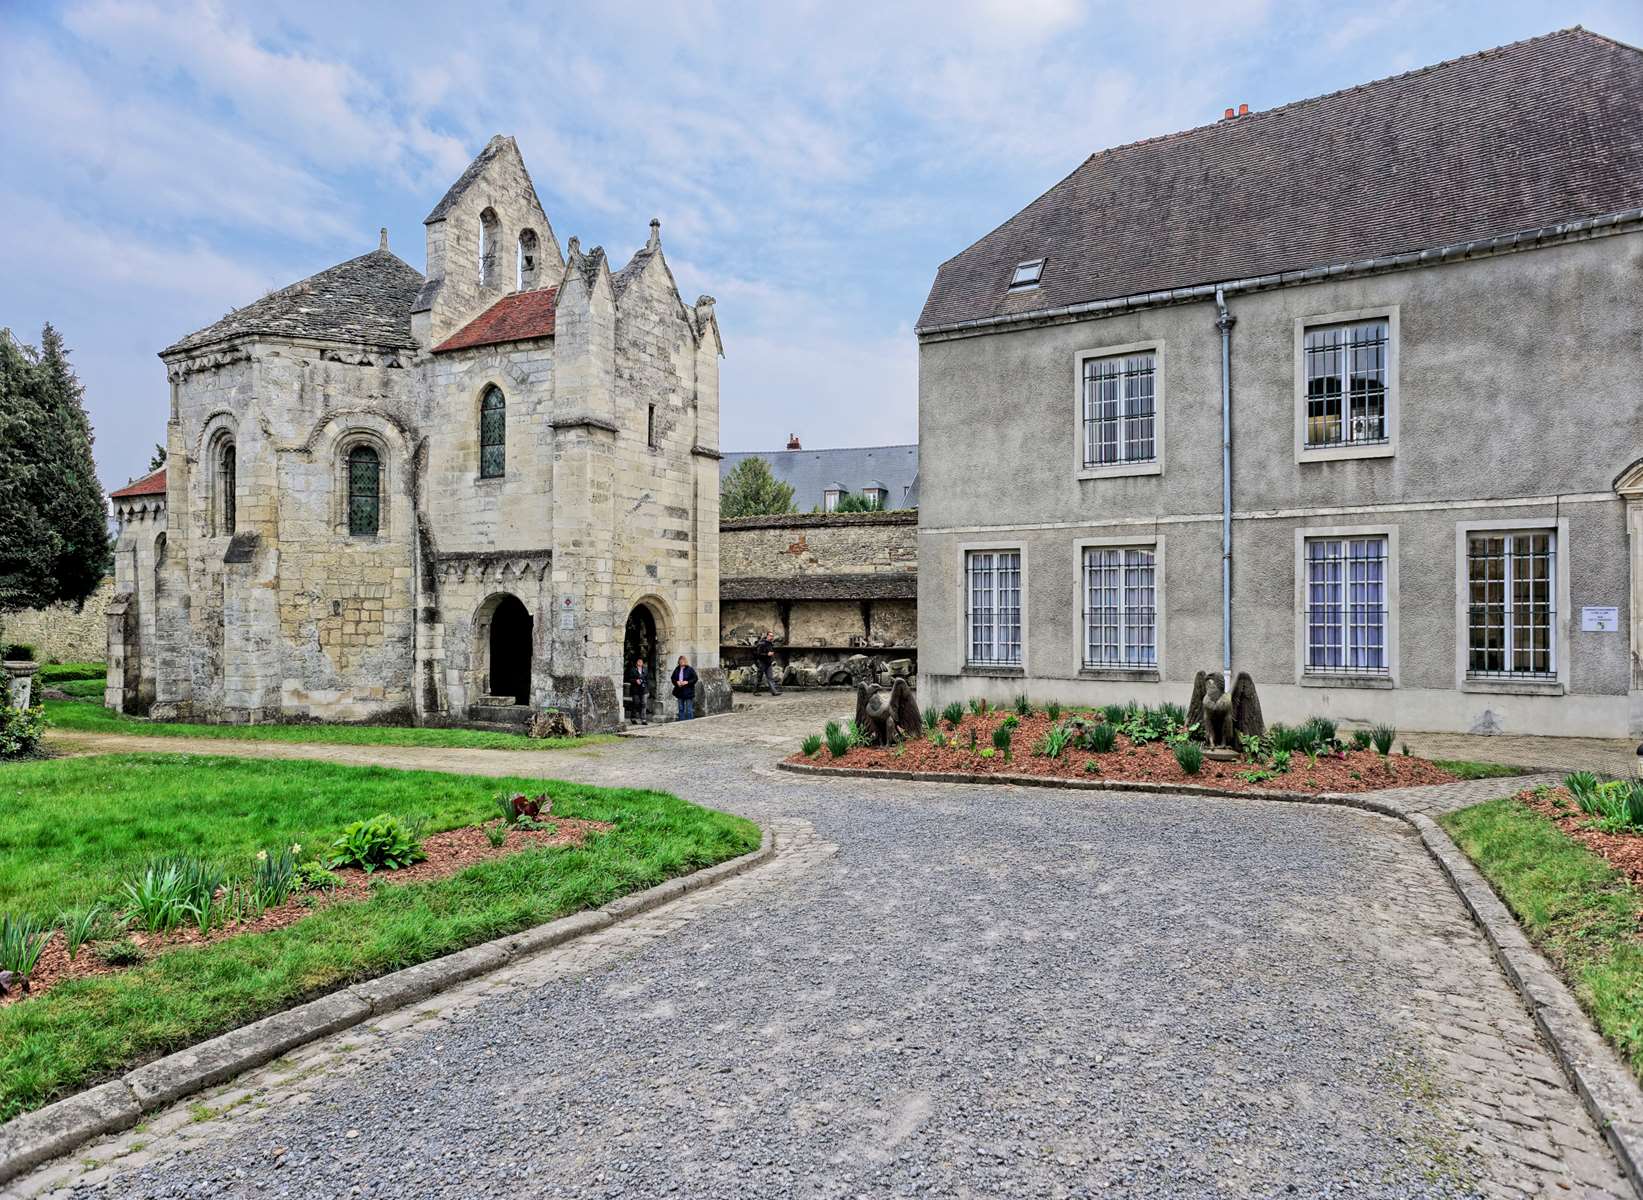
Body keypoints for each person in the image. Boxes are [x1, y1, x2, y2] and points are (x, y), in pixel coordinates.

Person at [753, 630, 782, 696]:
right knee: (759, 677)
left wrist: (772, 659)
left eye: (772, 636)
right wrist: (767, 654)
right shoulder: (761, 644)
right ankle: (755, 692)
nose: (771, 637)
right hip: (762, 663)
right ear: (767, 636)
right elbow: (758, 654)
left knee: (770, 678)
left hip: (768, 663)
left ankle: (774, 692)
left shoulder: (770, 644)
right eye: (770, 636)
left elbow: (771, 653)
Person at [670, 655, 698, 721]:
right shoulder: (677, 669)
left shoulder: (690, 669)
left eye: (683, 660)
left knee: (689, 709)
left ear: (685, 661)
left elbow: (695, 678)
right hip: (679, 691)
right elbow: (672, 678)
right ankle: (681, 722)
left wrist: (687, 682)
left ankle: (689, 722)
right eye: (680, 660)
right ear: (679, 661)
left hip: (688, 691)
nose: (682, 661)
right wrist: (677, 682)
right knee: (681, 708)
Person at [627, 656, 650, 725]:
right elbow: (629, 679)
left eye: (641, 661)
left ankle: (643, 719)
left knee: (644, 704)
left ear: (643, 663)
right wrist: (635, 681)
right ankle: (633, 718)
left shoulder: (645, 670)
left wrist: (645, 684)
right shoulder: (632, 670)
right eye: (638, 661)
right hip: (635, 690)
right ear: (636, 662)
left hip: (643, 689)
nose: (640, 662)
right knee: (636, 703)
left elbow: (647, 679)